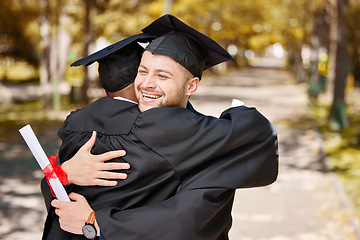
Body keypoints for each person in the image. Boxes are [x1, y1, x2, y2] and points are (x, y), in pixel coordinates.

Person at [45, 14, 278, 240]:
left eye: (163, 76)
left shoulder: (74, 124)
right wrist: (236, 113)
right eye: (142, 71)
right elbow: (259, 136)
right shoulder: (179, 132)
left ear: (191, 86)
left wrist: (62, 174)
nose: (147, 83)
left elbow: (59, 204)